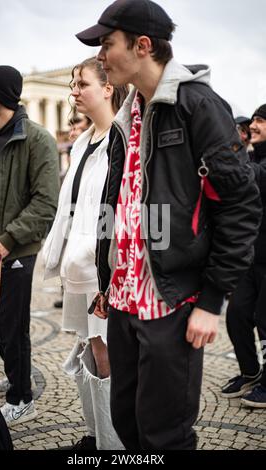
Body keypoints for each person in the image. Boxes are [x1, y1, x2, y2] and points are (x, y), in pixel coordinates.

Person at [76, 0, 261, 450]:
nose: (101, 55)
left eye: (107, 43)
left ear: (142, 46)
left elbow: (240, 204)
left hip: (173, 301)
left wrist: (211, 300)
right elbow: (118, 202)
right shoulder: (127, 113)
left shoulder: (196, 104)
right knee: (128, 422)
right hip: (122, 300)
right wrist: (108, 275)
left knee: (165, 434)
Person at [0, 65, 59, 426]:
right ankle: (16, 371)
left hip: (15, 250)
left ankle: (21, 397)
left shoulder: (37, 139)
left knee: (11, 326)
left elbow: (45, 203)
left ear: (2, 94)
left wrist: (3, 243)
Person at [43, 57, 128, 450]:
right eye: (72, 84)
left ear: (108, 88)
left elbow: (118, 210)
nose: (73, 91)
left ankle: (113, 445)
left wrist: (110, 276)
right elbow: (72, 208)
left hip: (102, 271)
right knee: (88, 348)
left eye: (82, 84)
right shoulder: (82, 142)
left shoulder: (119, 140)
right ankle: (96, 435)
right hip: (78, 266)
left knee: (106, 350)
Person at [222, 104, 266, 407]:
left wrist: (232, 147)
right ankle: (250, 372)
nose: (254, 124)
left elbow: (256, 177)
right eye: (253, 119)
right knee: (236, 314)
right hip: (250, 257)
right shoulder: (251, 156)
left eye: (261, 120)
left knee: (265, 320)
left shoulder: (254, 163)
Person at [53, 114, 91, 309]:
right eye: (72, 129)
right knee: (65, 261)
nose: (73, 133)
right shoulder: (72, 152)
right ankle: (66, 295)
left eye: (77, 129)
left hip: (85, 222)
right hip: (69, 218)